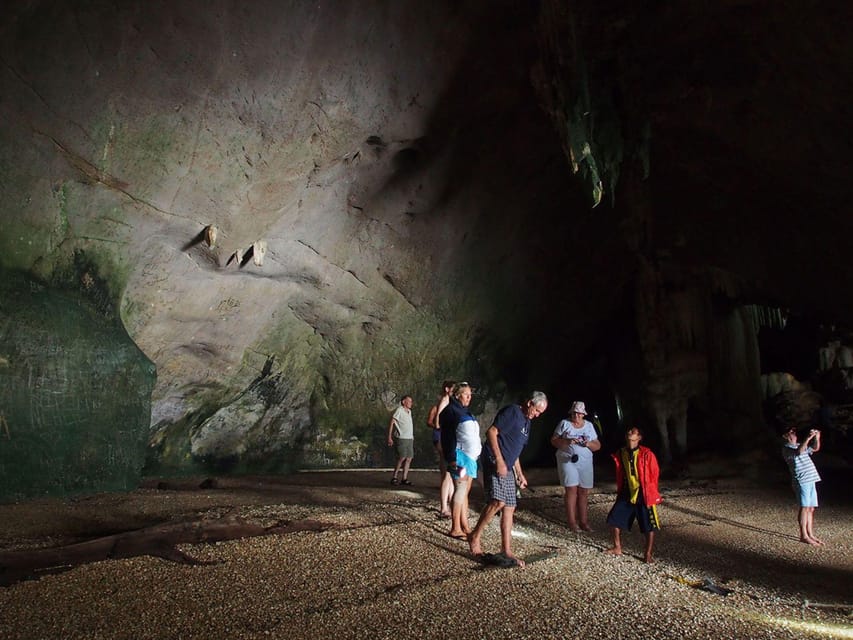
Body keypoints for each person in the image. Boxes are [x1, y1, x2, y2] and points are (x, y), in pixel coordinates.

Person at [467, 391, 548, 567]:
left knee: (510, 506)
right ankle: (475, 536)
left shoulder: (527, 422)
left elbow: (515, 450)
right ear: (529, 403)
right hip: (495, 460)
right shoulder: (513, 412)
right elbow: (491, 432)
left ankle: (506, 549)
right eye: (537, 410)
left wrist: (520, 473)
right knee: (498, 501)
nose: (537, 414)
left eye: (541, 412)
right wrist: (499, 461)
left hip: (508, 465)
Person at [604, 426, 662, 563]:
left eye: (634, 432)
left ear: (639, 438)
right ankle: (617, 547)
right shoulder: (621, 452)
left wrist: (651, 491)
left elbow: (654, 473)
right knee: (614, 518)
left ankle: (647, 554)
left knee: (648, 525)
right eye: (629, 431)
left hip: (643, 492)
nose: (631, 433)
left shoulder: (647, 454)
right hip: (627, 491)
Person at [550, 400, 601, 532]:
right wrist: (566, 441)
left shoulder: (589, 426)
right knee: (571, 489)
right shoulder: (564, 424)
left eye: (579, 413)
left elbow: (597, 445)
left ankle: (584, 521)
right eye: (574, 413)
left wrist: (587, 444)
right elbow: (554, 440)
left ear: (583, 414)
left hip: (585, 462)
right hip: (567, 460)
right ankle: (572, 522)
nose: (576, 416)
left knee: (583, 491)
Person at [444, 383, 480, 539]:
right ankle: (455, 527)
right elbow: (447, 437)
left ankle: (464, 525)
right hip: (459, 457)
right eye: (466, 394)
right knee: (460, 489)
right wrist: (451, 458)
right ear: (457, 395)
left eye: (470, 395)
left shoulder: (465, 411)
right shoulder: (450, 411)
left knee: (465, 492)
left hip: (470, 458)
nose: (469, 397)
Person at [781, 426, 823, 545]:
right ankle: (803, 535)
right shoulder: (787, 448)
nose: (794, 433)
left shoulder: (799, 444)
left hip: (811, 479)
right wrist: (808, 438)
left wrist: (817, 438)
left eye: (794, 431)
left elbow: (815, 448)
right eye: (791, 432)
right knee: (804, 507)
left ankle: (810, 534)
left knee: (811, 508)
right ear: (786, 436)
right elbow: (799, 452)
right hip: (802, 480)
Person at [427, 380, 455, 517]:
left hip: (445, 437)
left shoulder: (450, 400)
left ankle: (449, 503)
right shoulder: (445, 400)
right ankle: (444, 507)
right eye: (454, 388)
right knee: (447, 473)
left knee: (449, 472)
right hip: (442, 437)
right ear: (447, 389)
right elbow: (437, 422)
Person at [387, 395, 414, 485]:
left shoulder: (409, 412)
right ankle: (394, 477)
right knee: (401, 458)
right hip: (402, 438)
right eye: (409, 401)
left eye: (411, 401)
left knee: (409, 458)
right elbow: (392, 423)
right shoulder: (399, 410)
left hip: (409, 438)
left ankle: (404, 478)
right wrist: (389, 437)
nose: (411, 403)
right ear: (403, 402)